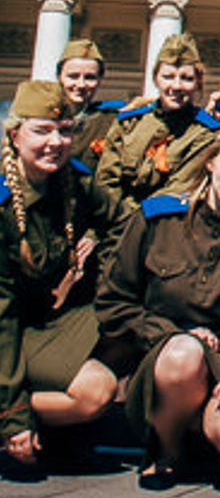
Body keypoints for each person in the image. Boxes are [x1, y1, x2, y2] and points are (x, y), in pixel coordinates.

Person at [94, 114, 220, 487]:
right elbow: (114, 300)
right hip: (160, 365)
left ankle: (204, 435)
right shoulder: (158, 218)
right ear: (210, 162)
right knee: (183, 352)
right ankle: (165, 448)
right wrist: (171, 335)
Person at [0, 82, 125, 470]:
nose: (56, 141)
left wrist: (103, 274)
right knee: (88, 396)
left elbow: (126, 223)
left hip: (39, 323)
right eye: (42, 131)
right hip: (6, 331)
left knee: (120, 344)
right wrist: (14, 415)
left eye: (65, 131)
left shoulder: (73, 182)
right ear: (14, 134)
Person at [93, 33, 220, 211]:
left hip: (159, 227)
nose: (176, 86)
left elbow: (177, 189)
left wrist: (130, 224)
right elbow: (105, 182)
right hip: (111, 223)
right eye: (168, 77)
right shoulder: (129, 122)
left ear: (198, 83)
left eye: (186, 78)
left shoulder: (206, 133)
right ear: (155, 79)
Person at [56, 38, 124, 172]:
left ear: (100, 80)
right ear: (59, 77)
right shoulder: (42, 117)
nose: (80, 85)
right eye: (73, 76)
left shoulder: (111, 120)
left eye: (89, 77)